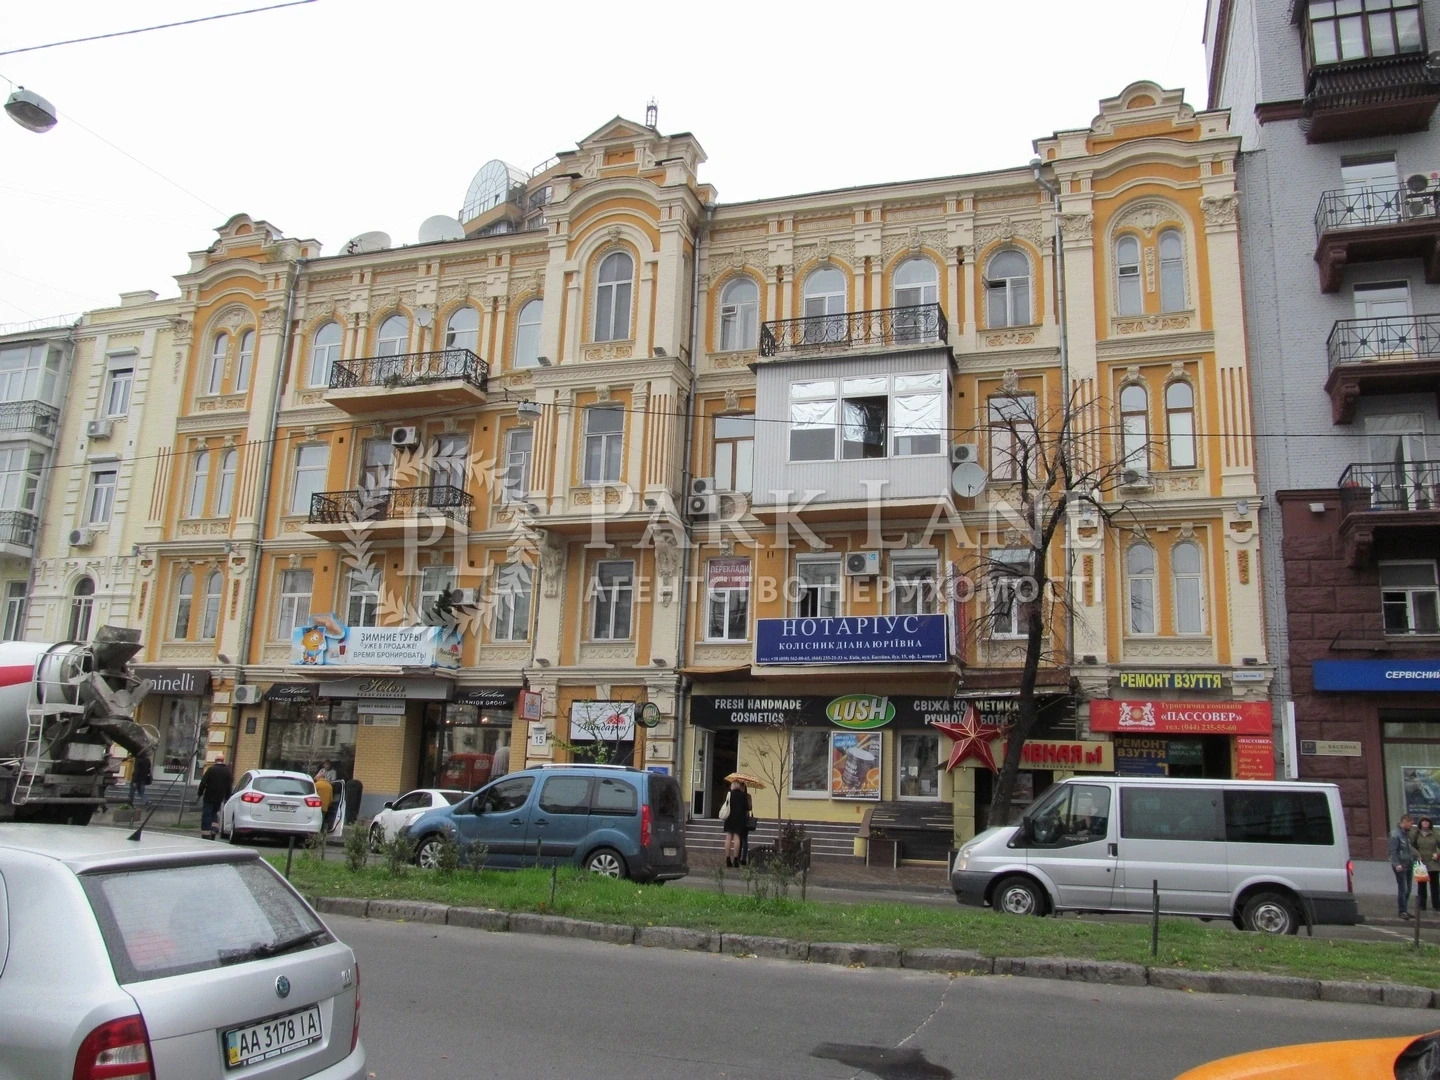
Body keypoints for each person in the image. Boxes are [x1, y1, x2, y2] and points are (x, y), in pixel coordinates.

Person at [197, 755, 233, 841]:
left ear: (215, 760)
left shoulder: (211, 770)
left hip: (209, 796)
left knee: (207, 814)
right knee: (214, 813)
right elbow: (229, 786)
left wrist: (200, 793)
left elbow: (203, 783)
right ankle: (214, 830)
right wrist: (227, 797)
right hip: (219, 797)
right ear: (223, 760)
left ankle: (206, 834)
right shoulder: (227, 771)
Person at [1389, 812, 1417, 919]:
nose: (1411, 825)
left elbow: (1409, 848)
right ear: (1404, 822)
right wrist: (1396, 864)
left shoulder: (1407, 834)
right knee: (1403, 888)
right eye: (1410, 823)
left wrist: (1416, 856)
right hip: (1400, 865)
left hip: (1409, 863)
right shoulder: (1395, 834)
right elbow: (1393, 851)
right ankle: (1402, 911)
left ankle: (1405, 909)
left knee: (1408, 888)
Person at [1410, 816, 1440, 914]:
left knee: (1434, 885)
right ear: (1420, 823)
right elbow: (1411, 846)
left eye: (1427, 822)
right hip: (1420, 862)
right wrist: (1417, 855)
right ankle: (1422, 905)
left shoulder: (1435, 834)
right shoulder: (1416, 834)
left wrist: (1437, 854)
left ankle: (1436, 905)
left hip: (1433, 862)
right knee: (1421, 885)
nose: (1425, 824)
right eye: (1424, 822)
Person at [721, 779, 752, 868]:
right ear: (739, 786)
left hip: (729, 818)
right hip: (739, 819)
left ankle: (727, 859)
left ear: (733, 785)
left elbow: (726, 805)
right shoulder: (743, 795)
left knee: (728, 837)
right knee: (737, 838)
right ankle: (735, 860)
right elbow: (747, 807)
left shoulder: (729, 794)